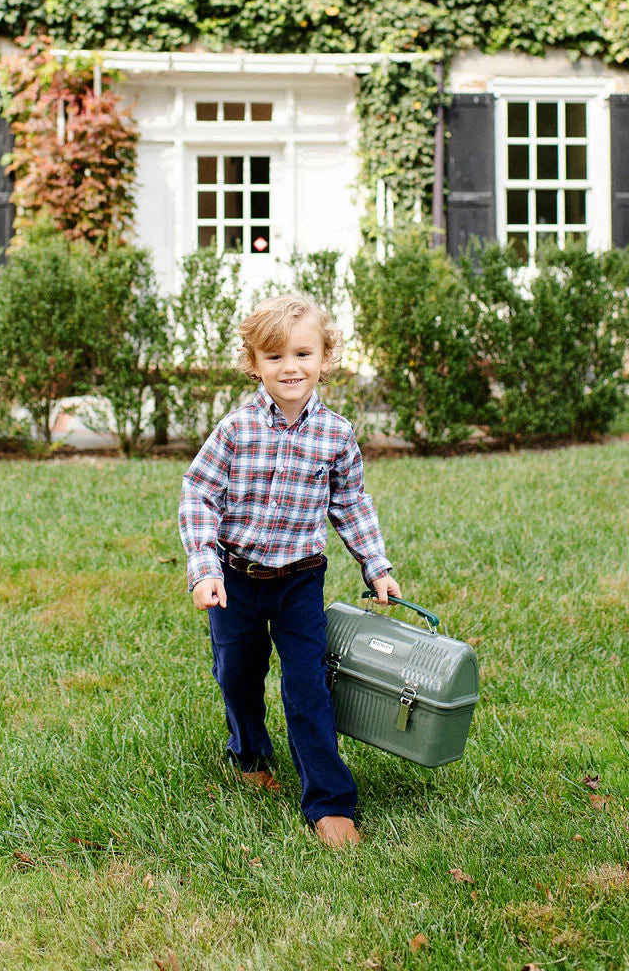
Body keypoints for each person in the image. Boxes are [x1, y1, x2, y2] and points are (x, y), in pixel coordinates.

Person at [178, 291, 401, 849]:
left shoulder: (337, 435)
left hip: (301, 579)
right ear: (252, 364)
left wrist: (376, 566)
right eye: (274, 356)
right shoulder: (236, 430)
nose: (290, 368)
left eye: (303, 354)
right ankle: (249, 750)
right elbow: (198, 493)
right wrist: (205, 570)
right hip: (236, 579)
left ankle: (329, 801)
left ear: (326, 359)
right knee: (237, 674)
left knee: (308, 687)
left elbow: (350, 503)